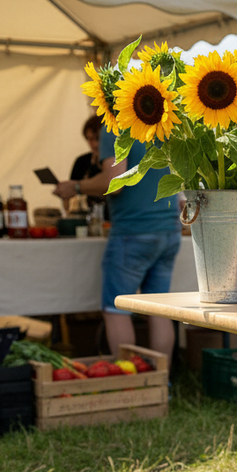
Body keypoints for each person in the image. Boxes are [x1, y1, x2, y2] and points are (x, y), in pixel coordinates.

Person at [53, 124, 181, 366]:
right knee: (159, 310)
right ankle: (162, 381)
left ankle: (129, 378)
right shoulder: (160, 120)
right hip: (169, 228)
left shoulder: (114, 127)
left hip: (133, 231)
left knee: (116, 309)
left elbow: (116, 181)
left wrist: (76, 187)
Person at [65, 115, 109, 219]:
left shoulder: (118, 162)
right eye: (89, 139)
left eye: (96, 139)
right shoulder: (82, 162)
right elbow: (70, 198)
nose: (93, 144)